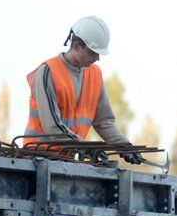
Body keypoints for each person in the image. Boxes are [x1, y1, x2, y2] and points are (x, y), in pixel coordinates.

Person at [23, 16, 131, 148]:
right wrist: (85, 147)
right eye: (93, 52)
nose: (97, 58)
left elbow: (104, 123)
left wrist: (126, 146)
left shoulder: (95, 75)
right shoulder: (48, 72)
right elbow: (53, 127)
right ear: (76, 46)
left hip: (66, 158)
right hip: (35, 157)